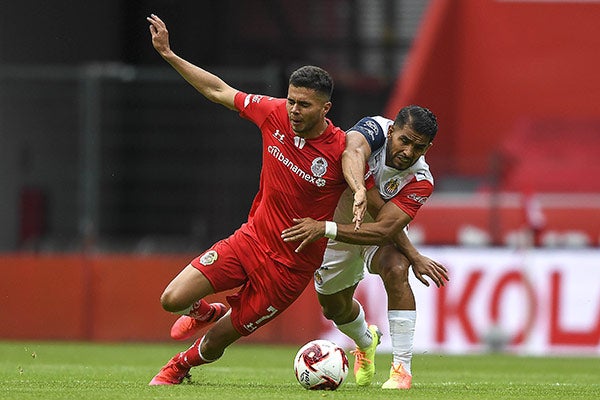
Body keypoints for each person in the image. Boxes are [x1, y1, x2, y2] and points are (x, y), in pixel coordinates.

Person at [145, 14, 348, 385]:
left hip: (289, 271)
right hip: (250, 241)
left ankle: (179, 367)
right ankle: (204, 311)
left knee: (221, 341)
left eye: (304, 105)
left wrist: (329, 228)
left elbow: (365, 198)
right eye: (291, 101)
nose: (294, 111)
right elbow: (218, 90)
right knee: (172, 299)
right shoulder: (274, 114)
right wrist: (169, 54)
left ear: (325, 109)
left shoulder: (341, 150)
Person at [282, 105, 449, 389]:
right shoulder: (374, 130)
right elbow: (352, 151)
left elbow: (385, 228)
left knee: (397, 269)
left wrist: (326, 228)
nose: (408, 152)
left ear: (428, 148)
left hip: (366, 234)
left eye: (418, 147)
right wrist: (362, 189)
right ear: (392, 130)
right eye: (404, 141)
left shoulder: (421, 181)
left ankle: (401, 370)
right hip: (338, 224)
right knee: (334, 309)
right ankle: (365, 341)